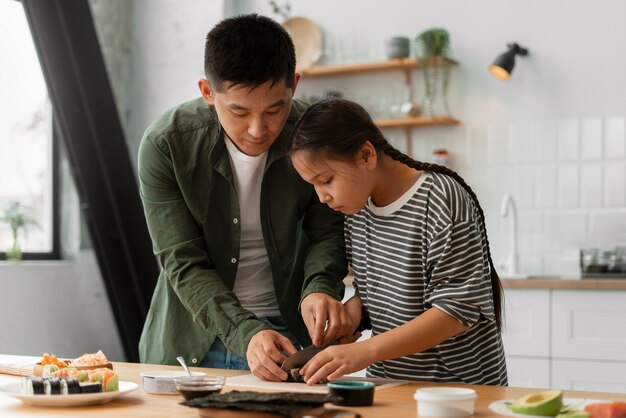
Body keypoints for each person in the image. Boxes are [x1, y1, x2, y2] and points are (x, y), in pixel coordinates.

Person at [137, 14, 351, 382]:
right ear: (207, 91)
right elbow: (183, 261)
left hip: (294, 340)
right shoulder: (166, 144)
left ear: (295, 85)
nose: (258, 129)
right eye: (238, 111)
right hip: (194, 345)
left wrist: (319, 289)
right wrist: (245, 332)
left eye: (275, 109)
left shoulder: (313, 136)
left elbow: (327, 233)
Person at [289, 98, 509, 386]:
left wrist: (363, 351)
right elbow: (382, 291)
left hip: (457, 390)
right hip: (390, 387)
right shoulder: (357, 211)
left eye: (327, 180)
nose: (322, 196)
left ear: (366, 155)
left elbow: (455, 311)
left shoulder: (441, 197)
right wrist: (353, 314)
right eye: (314, 186)